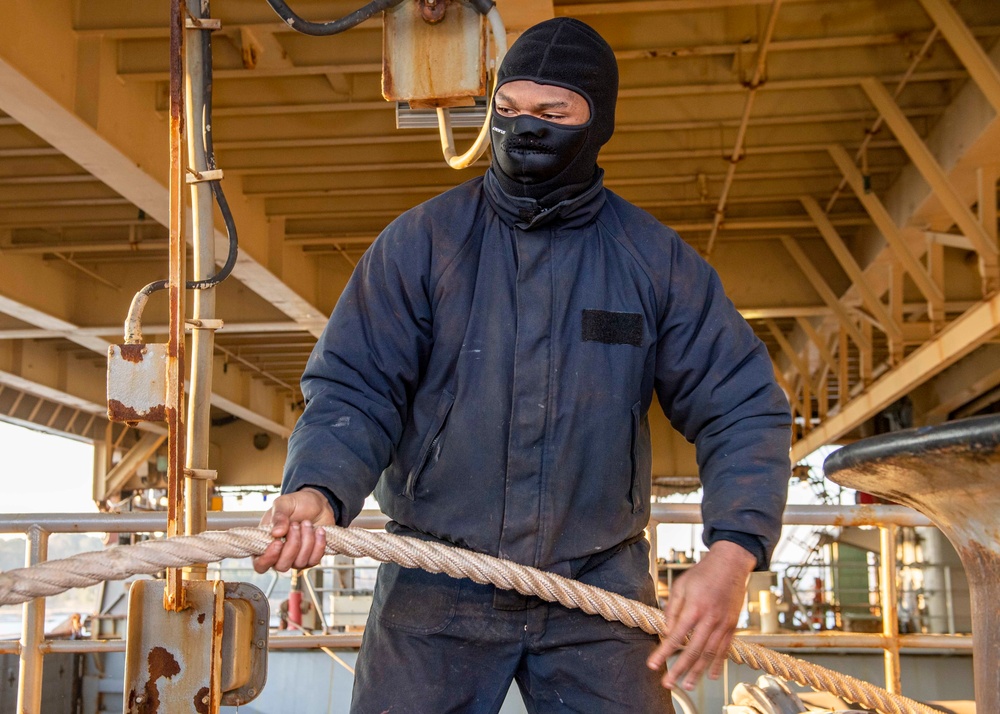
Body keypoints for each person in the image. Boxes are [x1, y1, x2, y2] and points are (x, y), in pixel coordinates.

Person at [253, 16, 790, 714]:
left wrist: (734, 549)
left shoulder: (653, 262)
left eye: (551, 113)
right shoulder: (421, 245)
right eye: (506, 110)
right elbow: (358, 386)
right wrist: (319, 486)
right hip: (437, 577)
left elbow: (741, 403)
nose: (523, 128)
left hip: (596, 590)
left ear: (597, 124)